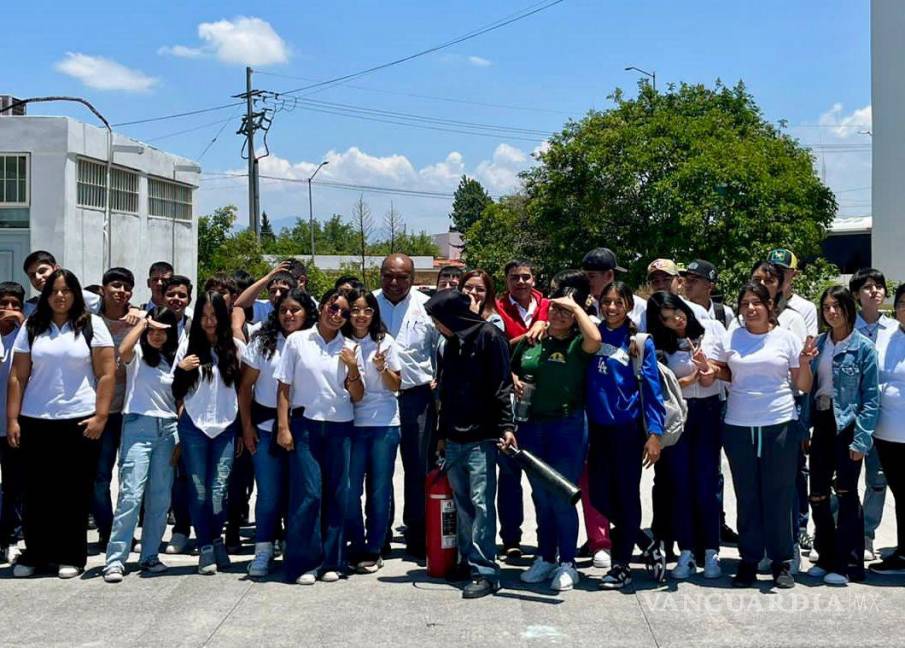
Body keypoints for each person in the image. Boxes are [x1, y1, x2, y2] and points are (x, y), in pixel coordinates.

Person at [7, 269, 116, 578]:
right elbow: (18, 376)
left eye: (66, 290)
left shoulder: (92, 325)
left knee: (73, 492)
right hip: (35, 419)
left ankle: (71, 555)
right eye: (54, 291)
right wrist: (13, 419)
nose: (60, 296)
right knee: (37, 492)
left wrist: (101, 416)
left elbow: (107, 373)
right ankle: (37, 555)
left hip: (79, 420)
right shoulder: (33, 325)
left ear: (75, 293)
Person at [715, 282, 815, 589]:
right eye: (744, 303)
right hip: (739, 424)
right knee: (747, 496)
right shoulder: (731, 336)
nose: (750, 308)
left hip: (779, 422)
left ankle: (781, 561)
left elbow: (803, 385)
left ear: (770, 306)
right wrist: (708, 370)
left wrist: (807, 362)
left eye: (756, 302)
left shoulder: (785, 337)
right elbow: (723, 372)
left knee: (779, 494)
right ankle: (748, 560)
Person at [512, 271, 601, 591]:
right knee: (539, 494)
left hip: (568, 426)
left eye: (566, 311)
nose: (558, 314)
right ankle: (545, 555)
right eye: (554, 309)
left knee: (562, 493)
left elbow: (596, 340)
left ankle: (567, 562)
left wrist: (575, 308)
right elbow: (506, 359)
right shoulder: (534, 340)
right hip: (532, 425)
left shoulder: (579, 343)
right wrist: (512, 378)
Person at [426, 290, 516, 599]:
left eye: (438, 320)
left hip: (482, 437)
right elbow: (446, 393)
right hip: (453, 437)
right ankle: (467, 560)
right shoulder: (449, 345)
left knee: (481, 503)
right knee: (462, 504)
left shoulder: (491, 337)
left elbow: (502, 385)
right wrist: (441, 434)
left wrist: (506, 426)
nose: (437, 326)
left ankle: (486, 570)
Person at [275, 288, 363, 585]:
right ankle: (304, 563)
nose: (337, 314)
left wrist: (352, 367)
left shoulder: (351, 346)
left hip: (341, 426)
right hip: (306, 425)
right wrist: (283, 427)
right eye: (332, 307)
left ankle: (332, 561)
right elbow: (284, 387)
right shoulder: (298, 341)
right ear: (322, 306)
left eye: (343, 311)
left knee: (338, 494)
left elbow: (358, 394)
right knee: (309, 494)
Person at [586, 281, 666, 590]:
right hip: (596, 429)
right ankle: (645, 540)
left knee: (626, 497)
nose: (611, 308)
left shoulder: (639, 342)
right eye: (606, 302)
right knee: (599, 496)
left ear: (629, 306)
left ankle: (620, 566)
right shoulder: (592, 336)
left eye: (618, 302)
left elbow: (652, 389)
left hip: (627, 430)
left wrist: (655, 434)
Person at [646, 291, 727, 580]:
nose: (676, 320)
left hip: (708, 411)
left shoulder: (712, 330)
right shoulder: (660, 345)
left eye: (677, 312)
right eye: (667, 319)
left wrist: (711, 370)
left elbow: (729, 370)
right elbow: (660, 386)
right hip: (678, 414)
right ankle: (687, 551)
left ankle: (711, 551)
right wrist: (693, 377)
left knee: (707, 482)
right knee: (680, 484)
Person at [802, 286, 879, 586]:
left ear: (849, 308)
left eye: (837, 306)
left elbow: (871, 398)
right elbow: (808, 389)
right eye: (826, 307)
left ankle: (850, 564)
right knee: (818, 494)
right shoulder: (819, 344)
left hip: (848, 424)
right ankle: (826, 556)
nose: (831, 312)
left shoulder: (863, 347)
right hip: (821, 421)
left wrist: (862, 439)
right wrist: (803, 429)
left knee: (847, 494)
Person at [238, 288, 317, 578]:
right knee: (269, 494)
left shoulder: (315, 341)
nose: (288, 315)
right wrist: (246, 428)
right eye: (284, 309)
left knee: (301, 495)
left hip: (304, 428)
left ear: (307, 312)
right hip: (264, 428)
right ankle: (262, 551)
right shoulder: (263, 341)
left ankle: (298, 551)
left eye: (295, 309)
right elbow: (245, 388)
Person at [102, 307, 182, 583]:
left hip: (169, 429)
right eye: (153, 330)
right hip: (139, 426)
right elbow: (122, 349)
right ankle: (115, 560)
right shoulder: (137, 355)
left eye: (163, 331)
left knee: (160, 499)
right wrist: (144, 321)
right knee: (131, 495)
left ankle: (150, 556)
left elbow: (181, 399)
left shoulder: (174, 359)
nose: (157, 336)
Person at [172, 290, 243, 575]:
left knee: (218, 491)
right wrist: (182, 369)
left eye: (214, 316)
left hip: (226, 427)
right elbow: (176, 392)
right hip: (193, 426)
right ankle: (205, 546)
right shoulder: (187, 347)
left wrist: (241, 429)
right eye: (203, 316)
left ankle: (216, 539)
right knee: (199, 490)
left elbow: (243, 389)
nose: (209, 322)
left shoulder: (235, 348)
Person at [374, 254, 439, 559]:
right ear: (380, 275)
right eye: (389, 276)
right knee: (379, 470)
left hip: (417, 397)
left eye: (402, 277)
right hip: (377, 400)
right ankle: (378, 533)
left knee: (418, 469)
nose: (395, 282)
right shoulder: (368, 305)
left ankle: (417, 533)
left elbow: (440, 350)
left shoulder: (428, 306)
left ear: (413, 277)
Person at [493, 259, 552, 558]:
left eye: (526, 277)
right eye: (514, 277)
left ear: (534, 278)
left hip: (545, 403)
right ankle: (511, 538)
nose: (521, 282)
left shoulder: (548, 306)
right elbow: (494, 348)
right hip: (509, 402)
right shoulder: (497, 309)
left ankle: (546, 540)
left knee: (542, 478)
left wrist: (544, 323)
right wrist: (509, 371)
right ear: (506, 280)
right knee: (509, 477)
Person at [343, 289, 402, 573]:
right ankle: (356, 542)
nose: (361, 315)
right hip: (351, 423)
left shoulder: (385, 342)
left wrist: (382, 368)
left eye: (367, 310)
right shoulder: (341, 342)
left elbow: (396, 385)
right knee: (351, 489)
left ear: (374, 313)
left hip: (383, 423)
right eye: (355, 309)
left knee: (379, 489)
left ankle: (375, 545)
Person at [94, 267, 142, 551]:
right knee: (99, 476)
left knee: (130, 476)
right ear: (103, 289)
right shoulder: (89, 322)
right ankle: (106, 529)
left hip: (131, 410)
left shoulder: (138, 320)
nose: (120, 291)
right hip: (101, 412)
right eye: (115, 285)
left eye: (126, 287)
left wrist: (141, 318)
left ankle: (127, 531)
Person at [849, 267, 895, 561]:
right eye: (867, 287)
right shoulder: (845, 326)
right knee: (843, 477)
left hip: (885, 417)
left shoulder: (894, 330)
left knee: (877, 479)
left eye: (879, 286)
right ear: (855, 295)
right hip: (850, 414)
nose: (875, 291)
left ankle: (866, 534)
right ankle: (840, 530)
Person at [869, 284, 905, 576]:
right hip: (887, 434)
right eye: (903, 303)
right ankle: (903, 552)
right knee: (900, 494)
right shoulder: (887, 337)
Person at [0, 282, 26, 564]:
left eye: (15, 305)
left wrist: (22, 323)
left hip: (14, 424)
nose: (9, 310)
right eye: (4, 304)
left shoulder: (25, 336)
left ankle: (12, 538)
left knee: (14, 486)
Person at [22, 250, 101, 316]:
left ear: (56, 269)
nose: (38, 277)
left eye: (42, 271)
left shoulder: (85, 298)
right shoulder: (31, 307)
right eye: (32, 275)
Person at [641, 259, 711, 331]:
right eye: (655, 281)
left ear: (679, 282)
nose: (661, 285)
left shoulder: (697, 311)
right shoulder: (645, 316)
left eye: (666, 279)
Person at [768, 248, 819, 337]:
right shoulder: (756, 304)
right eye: (772, 271)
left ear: (794, 274)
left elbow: (808, 344)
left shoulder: (807, 308)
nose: (776, 275)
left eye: (782, 271)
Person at [234, 260, 300, 324]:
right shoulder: (264, 308)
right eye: (273, 291)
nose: (277, 294)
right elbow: (238, 304)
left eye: (282, 290)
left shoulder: (305, 310)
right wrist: (269, 276)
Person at [681, 259, 734, 328]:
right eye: (687, 280)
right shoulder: (679, 311)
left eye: (693, 280)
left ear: (710, 286)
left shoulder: (725, 313)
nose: (688, 285)